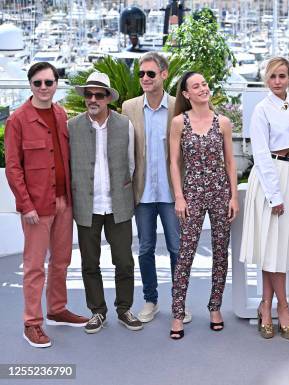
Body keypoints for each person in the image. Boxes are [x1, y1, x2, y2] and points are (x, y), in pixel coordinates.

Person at [5, 62, 88, 348]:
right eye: (38, 82)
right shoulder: (18, 120)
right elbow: (13, 168)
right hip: (36, 208)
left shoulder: (60, 113)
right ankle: (32, 323)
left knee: (62, 261)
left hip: (65, 202)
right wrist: (25, 205)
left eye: (48, 82)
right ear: (30, 85)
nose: (43, 87)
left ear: (56, 84)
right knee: (34, 266)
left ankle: (57, 309)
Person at [239, 57, 289, 340]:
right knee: (273, 247)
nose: (278, 81)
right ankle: (282, 306)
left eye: (282, 76)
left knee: (276, 248)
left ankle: (265, 305)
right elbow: (260, 154)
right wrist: (274, 195)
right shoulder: (261, 110)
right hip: (272, 177)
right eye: (273, 77)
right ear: (266, 80)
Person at [68, 71, 142, 334]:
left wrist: (124, 188)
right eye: (88, 94)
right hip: (86, 206)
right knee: (90, 263)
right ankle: (97, 311)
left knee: (124, 262)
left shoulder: (125, 124)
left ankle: (124, 309)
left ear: (108, 98)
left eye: (99, 94)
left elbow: (132, 164)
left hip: (118, 204)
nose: (93, 99)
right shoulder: (73, 126)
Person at [121, 52, 191, 324]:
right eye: (141, 74)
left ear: (164, 74)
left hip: (173, 193)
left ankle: (179, 301)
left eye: (151, 73)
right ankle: (151, 300)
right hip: (143, 192)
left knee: (177, 248)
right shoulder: (129, 107)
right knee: (145, 249)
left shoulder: (178, 107)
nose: (145, 78)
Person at [168, 71, 238, 339]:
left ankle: (215, 308)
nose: (202, 89)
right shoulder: (178, 122)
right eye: (196, 86)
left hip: (220, 190)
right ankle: (177, 312)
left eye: (205, 84)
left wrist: (233, 196)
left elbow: (231, 162)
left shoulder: (223, 122)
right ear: (186, 94)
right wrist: (179, 196)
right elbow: (175, 162)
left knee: (221, 252)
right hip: (192, 192)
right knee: (186, 252)